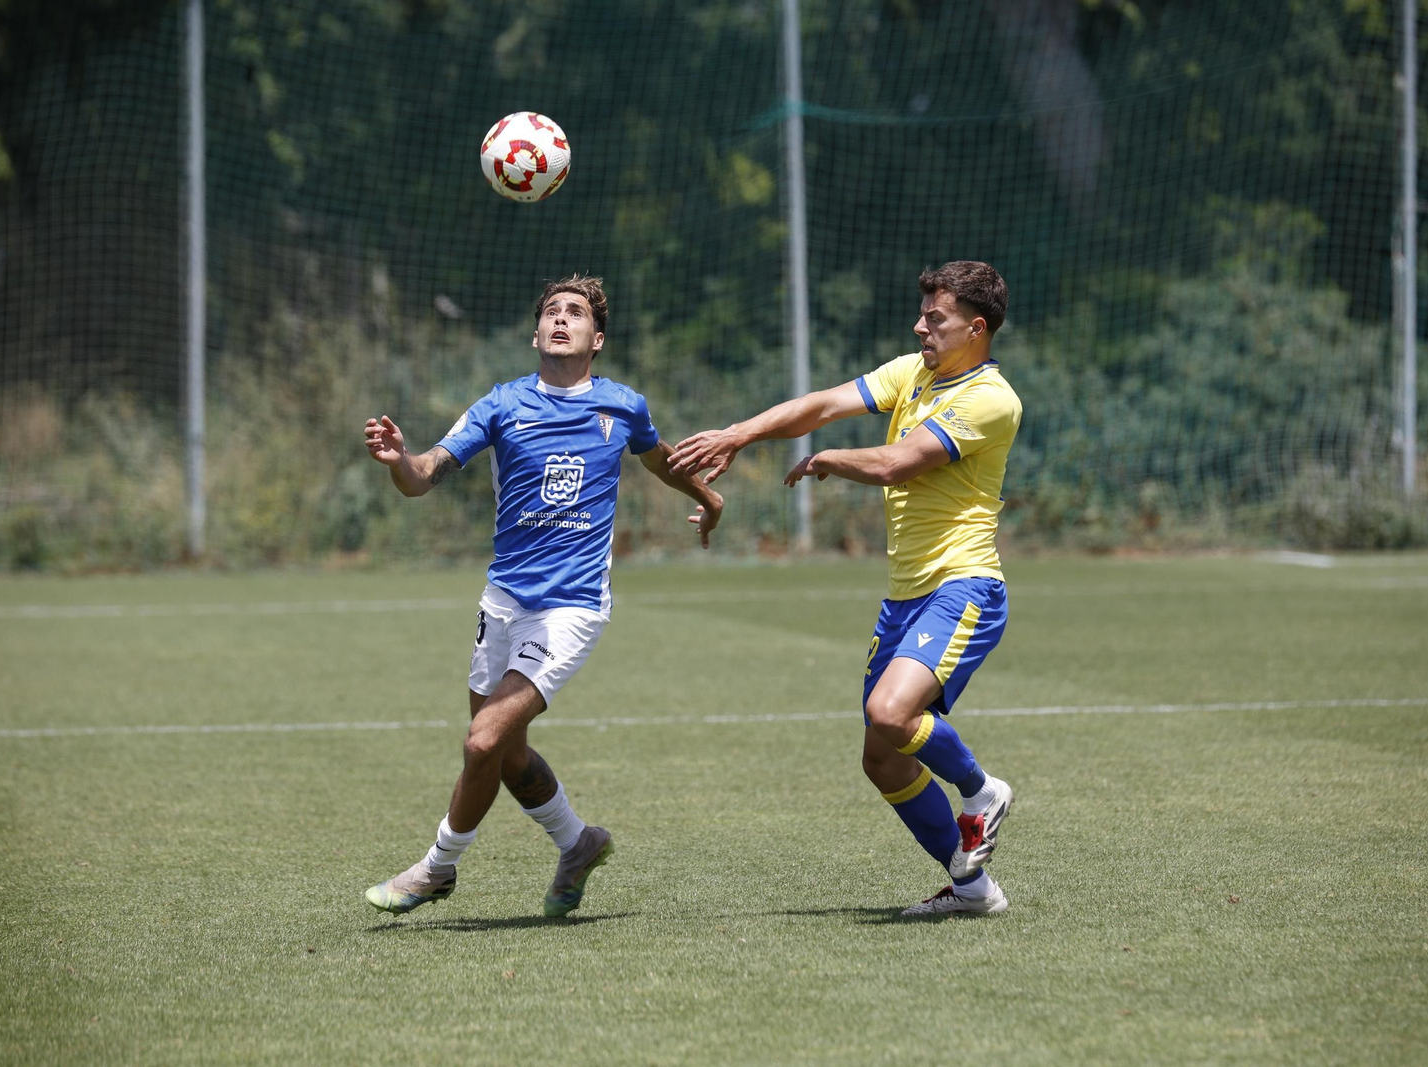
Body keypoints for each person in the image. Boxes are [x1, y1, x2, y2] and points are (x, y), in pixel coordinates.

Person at [362, 274, 723, 918]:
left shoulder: (621, 406)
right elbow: (422, 478)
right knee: (504, 753)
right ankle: (578, 842)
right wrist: (397, 458)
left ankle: (437, 869)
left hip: (572, 606)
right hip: (502, 601)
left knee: (481, 741)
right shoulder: (500, 405)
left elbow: (658, 457)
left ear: (597, 338)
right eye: (551, 312)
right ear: (535, 334)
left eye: (575, 313)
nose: (561, 320)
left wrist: (707, 496)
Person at [670, 261, 1020, 916]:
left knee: (891, 713)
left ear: (976, 328)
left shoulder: (991, 400)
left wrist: (831, 457)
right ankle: (973, 888)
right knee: (882, 757)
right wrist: (741, 432)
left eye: (935, 318)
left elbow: (897, 462)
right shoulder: (914, 374)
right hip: (906, 597)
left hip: (963, 586)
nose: (920, 327)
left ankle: (982, 790)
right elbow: (825, 403)